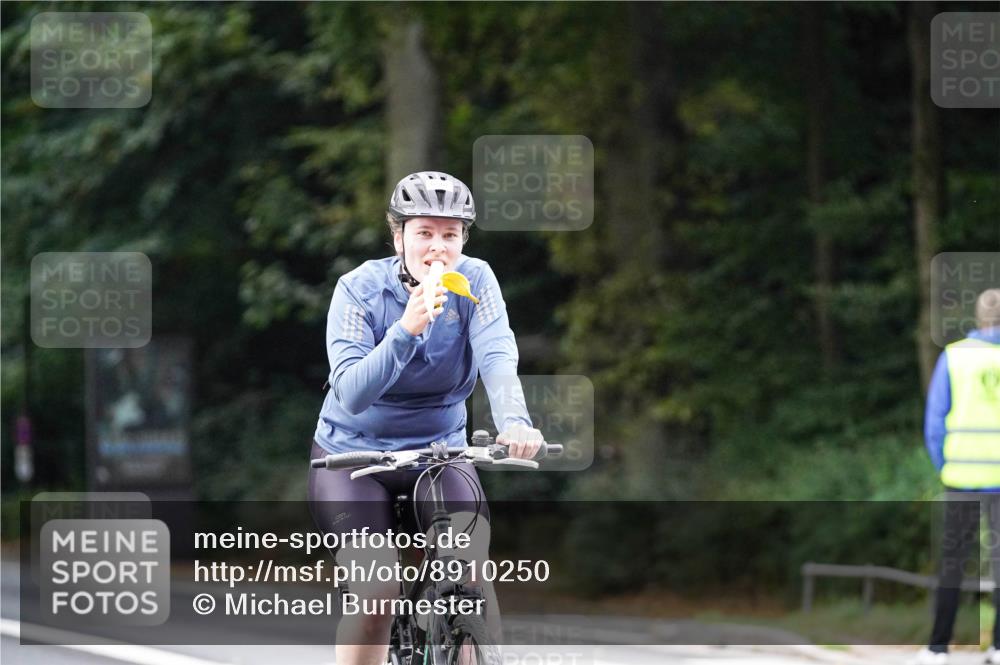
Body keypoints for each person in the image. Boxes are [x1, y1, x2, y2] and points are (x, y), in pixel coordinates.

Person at [307, 171, 544, 665]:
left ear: (462, 240)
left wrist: (515, 422)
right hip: (353, 455)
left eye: (450, 234)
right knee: (376, 590)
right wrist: (407, 327)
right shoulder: (358, 290)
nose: (438, 248)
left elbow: (497, 354)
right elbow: (350, 392)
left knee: (470, 573)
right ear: (399, 237)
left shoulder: (476, 280)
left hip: (441, 450)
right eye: (424, 233)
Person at [915, 288, 1000, 665]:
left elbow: (935, 424)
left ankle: (938, 648)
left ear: (978, 317)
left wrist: (945, 466)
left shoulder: (954, 357)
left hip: (961, 477)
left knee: (952, 562)